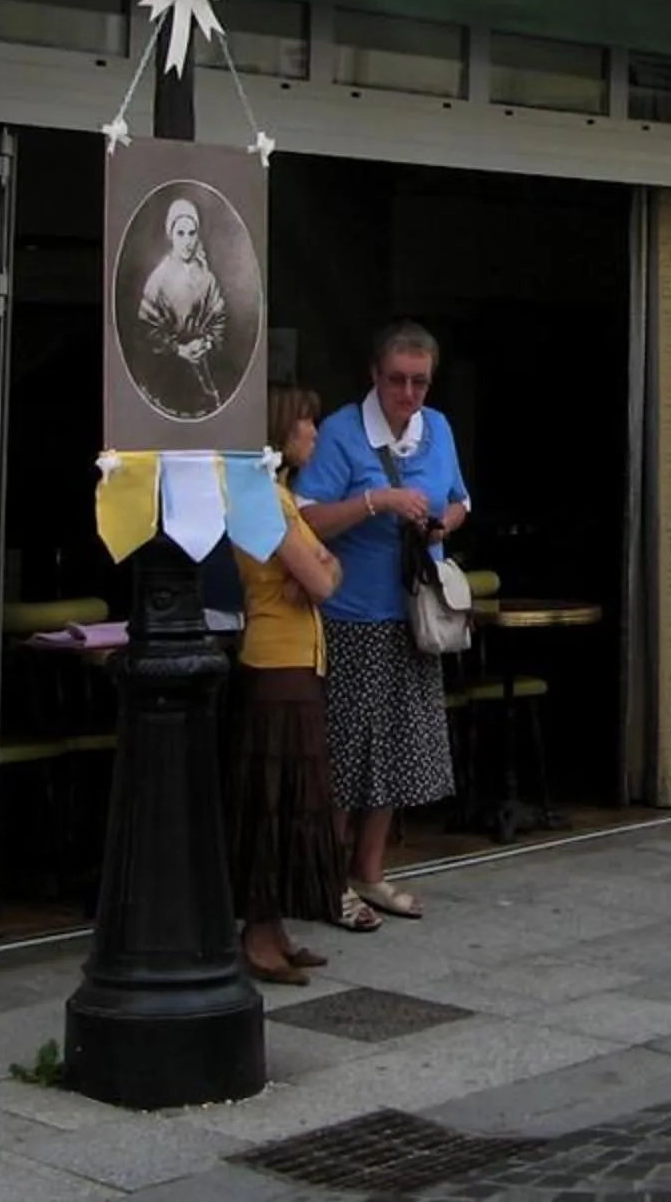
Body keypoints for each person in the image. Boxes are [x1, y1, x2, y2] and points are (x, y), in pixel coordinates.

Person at [295, 323, 471, 921]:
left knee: (396, 749)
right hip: (353, 616)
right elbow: (307, 519)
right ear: (374, 375)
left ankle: (369, 872)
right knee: (347, 754)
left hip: (414, 614)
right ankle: (327, 878)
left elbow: (460, 499)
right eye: (397, 380)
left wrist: (441, 522)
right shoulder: (342, 433)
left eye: (420, 382)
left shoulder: (438, 428)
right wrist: (378, 502)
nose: (409, 393)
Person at [230, 388, 356, 982]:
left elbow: (333, 566)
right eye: (307, 422)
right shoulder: (262, 499)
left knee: (296, 798)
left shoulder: (281, 497)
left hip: (301, 660)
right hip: (277, 664)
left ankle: (275, 925)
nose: (314, 432)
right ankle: (257, 931)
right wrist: (317, 572)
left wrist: (319, 570)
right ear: (284, 431)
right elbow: (323, 579)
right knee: (275, 797)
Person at [135, 196, 231, 417]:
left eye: (191, 233)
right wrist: (179, 349)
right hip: (168, 374)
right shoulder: (158, 279)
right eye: (181, 233)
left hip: (204, 369)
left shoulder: (207, 277)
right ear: (171, 235)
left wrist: (205, 343)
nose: (187, 240)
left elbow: (219, 317)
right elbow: (146, 329)